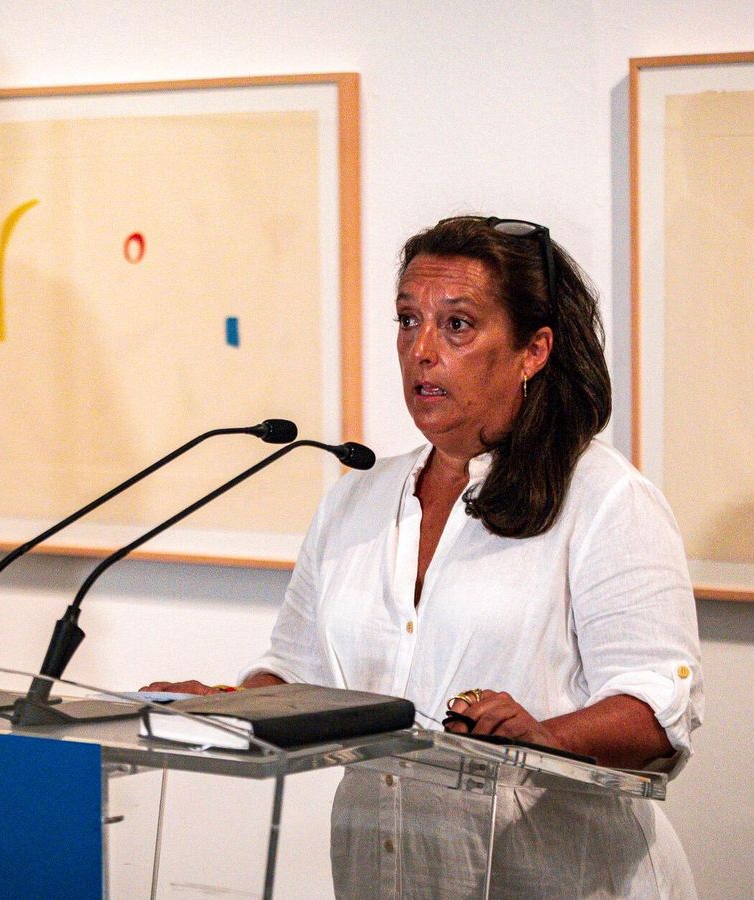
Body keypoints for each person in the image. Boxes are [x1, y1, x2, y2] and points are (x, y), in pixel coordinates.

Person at [146, 216, 702, 897]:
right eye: (408, 321)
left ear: (534, 350)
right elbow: (301, 673)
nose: (421, 351)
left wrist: (544, 737)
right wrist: (224, 704)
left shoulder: (606, 500)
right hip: (391, 874)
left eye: (457, 325)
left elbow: (656, 709)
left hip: (560, 878)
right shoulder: (356, 503)